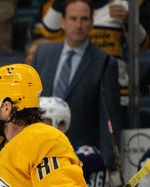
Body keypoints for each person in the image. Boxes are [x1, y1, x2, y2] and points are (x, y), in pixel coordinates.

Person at [33, 0, 122, 171]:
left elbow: (109, 117)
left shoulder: (104, 62)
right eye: (73, 18)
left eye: (84, 19)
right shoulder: (42, 54)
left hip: (81, 159)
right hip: (39, 153)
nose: (78, 25)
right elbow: (30, 104)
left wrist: (107, 163)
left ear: (92, 22)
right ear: (62, 22)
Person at [40, 96, 108, 187]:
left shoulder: (87, 157)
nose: (36, 128)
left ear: (61, 124)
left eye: (42, 122)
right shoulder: (26, 154)